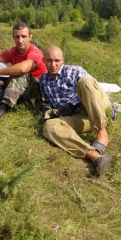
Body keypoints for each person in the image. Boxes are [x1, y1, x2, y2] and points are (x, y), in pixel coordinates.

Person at [39, 46, 114, 175]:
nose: (53, 64)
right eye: (49, 60)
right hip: (80, 117)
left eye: (57, 60)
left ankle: (102, 133)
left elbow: (91, 90)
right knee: (50, 126)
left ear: (63, 60)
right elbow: (46, 103)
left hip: (97, 108)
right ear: (43, 60)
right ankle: (95, 157)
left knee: (85, 82)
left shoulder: (74, 71)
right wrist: (50, 112)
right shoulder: (43, 81)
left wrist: (71, 104)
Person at [0, 22, 47, 121]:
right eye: (17, 37)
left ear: (30, 37)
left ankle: (2, 108)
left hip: (36, 90)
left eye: (23, 36)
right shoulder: (12, 51)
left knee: (20, 74)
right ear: (13, 37)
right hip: (18, 89)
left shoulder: (35, 52)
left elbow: (23, 68)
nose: (20, 40)